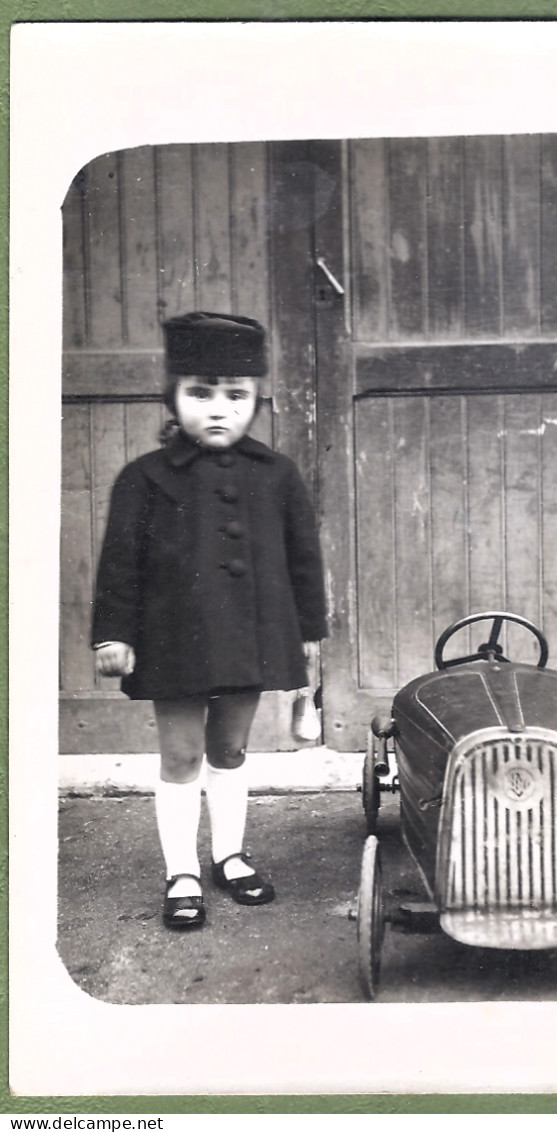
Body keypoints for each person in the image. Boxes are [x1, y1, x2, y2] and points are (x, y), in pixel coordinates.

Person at [91, 312, 327, 930]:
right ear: (172, 397)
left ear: (255, 399)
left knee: (229, 748)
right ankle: (182, 871)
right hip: (172, 643)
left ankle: (228, 856)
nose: (218, 409)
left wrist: (309, 639)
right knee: (180, 754)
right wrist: (114, 633)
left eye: (235, 395)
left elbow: (305, 561)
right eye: (199, 393)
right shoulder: (142, 478)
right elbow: (120, 563)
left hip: (250, 639)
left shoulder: (277, 475)